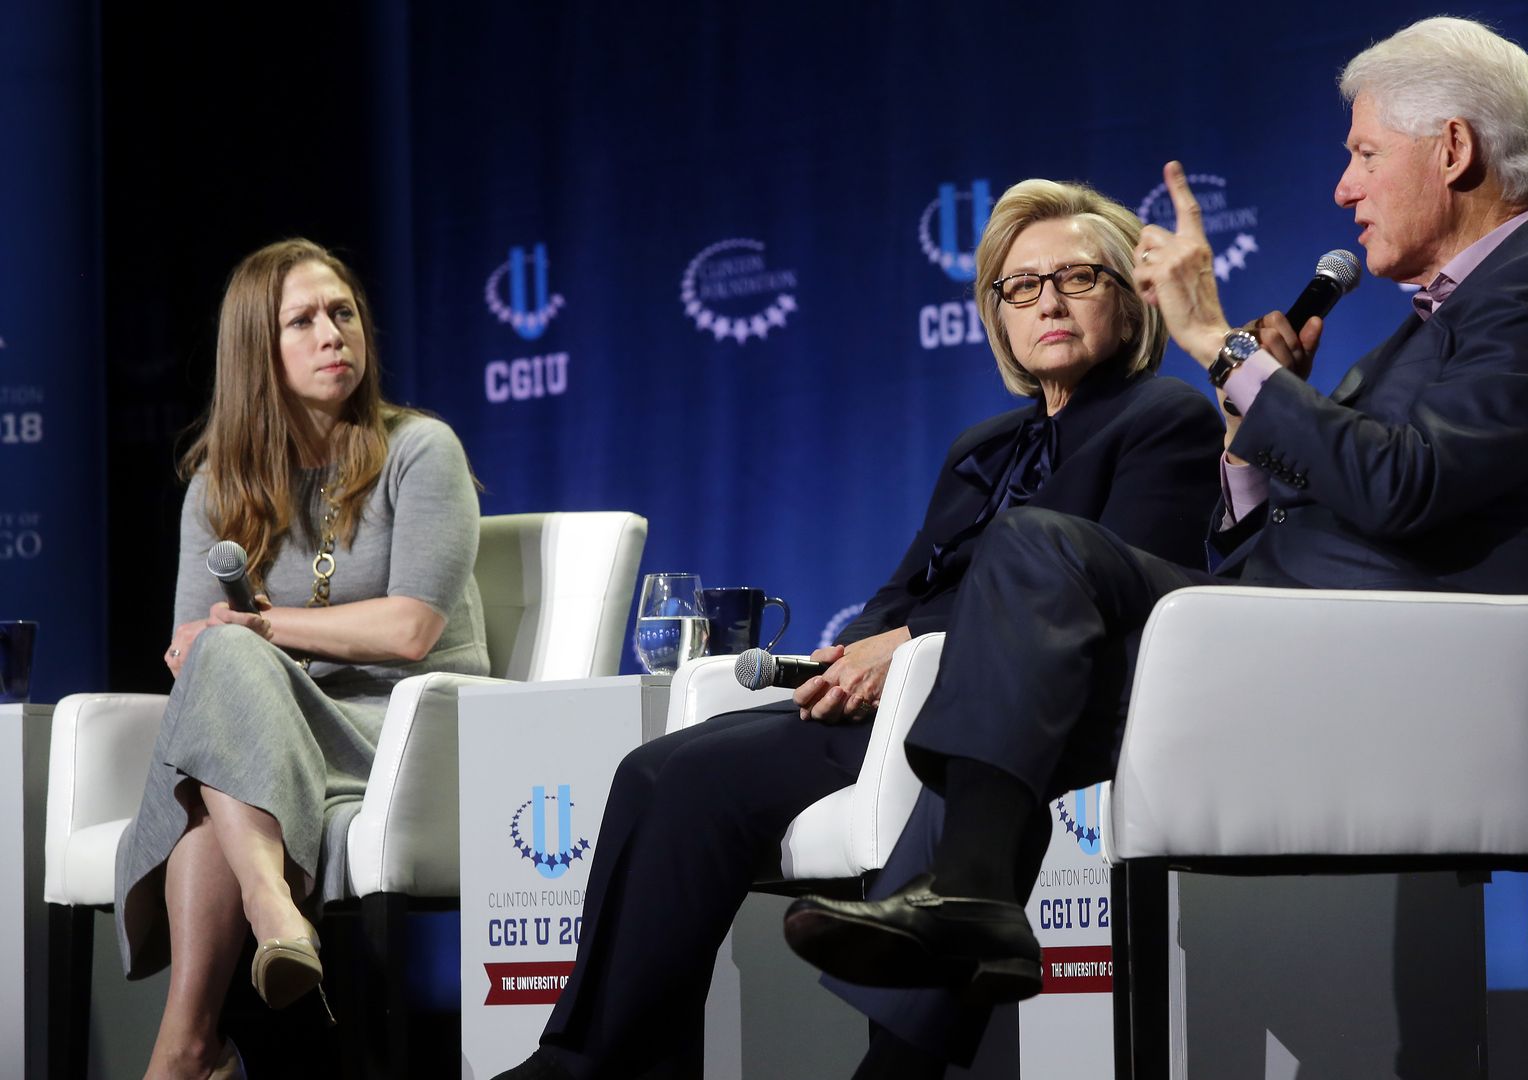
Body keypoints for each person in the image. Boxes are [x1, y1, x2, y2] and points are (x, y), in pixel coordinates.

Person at [783, 15, 1528, 1072]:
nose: (1344, 187)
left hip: (1400, 675)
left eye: (1365, 154)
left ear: (1456, 150)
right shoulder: (1433, 324)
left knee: (1041, 563)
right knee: (1010, 654)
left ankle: (964, 904)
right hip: (1301, 635)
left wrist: (1224, 348)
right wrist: (1255, 433)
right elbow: (1334, 503)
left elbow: (1406, 489)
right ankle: (955, 926)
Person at [494, 179, 1224, 1079]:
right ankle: (589, 1054)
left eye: (1076, 278)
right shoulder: (982, 446)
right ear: (996, 315)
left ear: (1128, 295)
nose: (1048, 302)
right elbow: (900, 590)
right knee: (657, 770)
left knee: (704, 779)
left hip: (1010, 704)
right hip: (895, 697)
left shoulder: (1164, 419)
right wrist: (856, 653)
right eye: (1021, 286)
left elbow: (1113, 594)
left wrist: (910, 649)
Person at [115, 239, 488, 1080]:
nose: (333, 335)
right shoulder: (218, 485)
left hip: (406, 734)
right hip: (275, 737)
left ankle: (194, 1037)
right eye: (304, 320)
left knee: (221, 719)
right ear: (258, 349)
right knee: (220, 680)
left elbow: (411, 631)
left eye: (343, 313)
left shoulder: (420, 451)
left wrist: (259, 630)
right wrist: (215, 643)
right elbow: (190, 647)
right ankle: (261, 929)